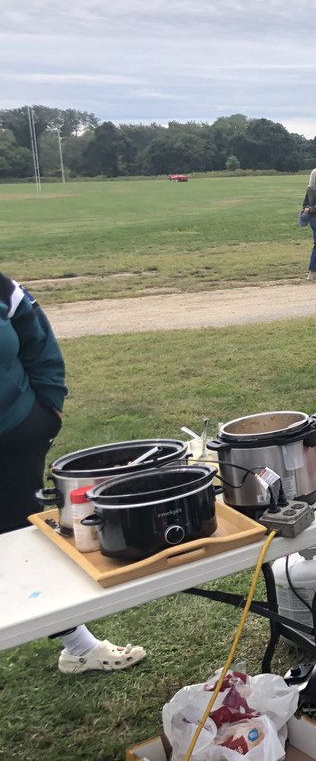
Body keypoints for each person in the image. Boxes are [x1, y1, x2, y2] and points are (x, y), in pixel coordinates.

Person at [1, 273, 147, 674]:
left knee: (28, 541)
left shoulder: (1, 287)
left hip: (14, 439)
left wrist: (47, 409)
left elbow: (36, 336)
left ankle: (78, 646)